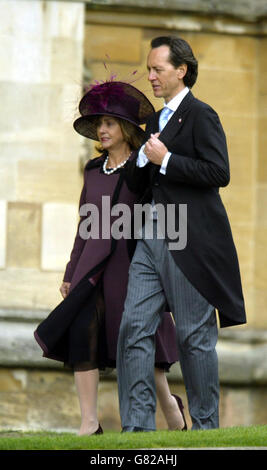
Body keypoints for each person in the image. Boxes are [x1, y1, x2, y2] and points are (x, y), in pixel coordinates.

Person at [34, 79, 186, 436]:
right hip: (91, 269)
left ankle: (171, 408)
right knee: (82, 333)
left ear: (126, 129)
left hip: (132, 267)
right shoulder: (91, 170)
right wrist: (71, 271)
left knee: (142, 348)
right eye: (98, 123)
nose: (101, 130)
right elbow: (84, 225)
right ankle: (90, 423)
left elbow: (162, 219)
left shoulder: (143, 167)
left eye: (109, 123)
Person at [116, 36, 247, 432]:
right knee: (133, 327)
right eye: (150, 68)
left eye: (157, 69)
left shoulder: (202, 115)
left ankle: (206, 429)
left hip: (187, 239)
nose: (150, 76)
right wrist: (138, 158)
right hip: (150, 236)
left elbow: (218, 173)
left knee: (193, 337)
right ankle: (138, 428)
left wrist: (166, 159)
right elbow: (141, 182)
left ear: (181, 71)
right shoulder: (154, 121)